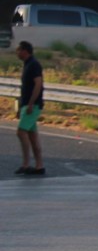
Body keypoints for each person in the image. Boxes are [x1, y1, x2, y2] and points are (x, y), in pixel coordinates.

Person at [14, 41, 45, 175]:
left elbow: (38, 84)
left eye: (18, 50)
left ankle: (26, 164)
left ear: (25, 51)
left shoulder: (34, 64)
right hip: (27, 104)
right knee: (32, 136)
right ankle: (39, 166)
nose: (17, 52)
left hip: (33, 105)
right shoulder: (27, 64)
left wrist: (31, 103)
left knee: (21, 132)